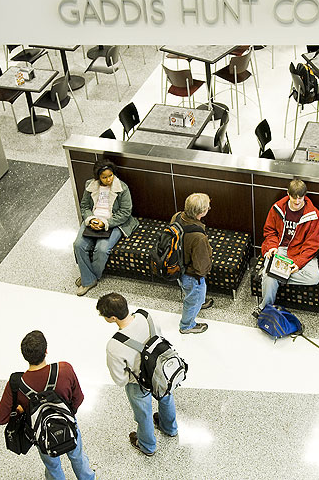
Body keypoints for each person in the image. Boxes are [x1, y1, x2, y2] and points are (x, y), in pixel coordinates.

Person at [0, 331, 96, 480]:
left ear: (24, 355)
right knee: (78, 457)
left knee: (52, 466)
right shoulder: (64, 370)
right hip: (68, 426)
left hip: (41, 434)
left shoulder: (16, 384)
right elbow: (78, 398)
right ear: (46, 351)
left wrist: (20, 410)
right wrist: (68, 412)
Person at [97, 292, 178, 455]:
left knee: (144, 415)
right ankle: (169, 428)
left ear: (113, 318)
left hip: (139, 383)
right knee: (166, 396)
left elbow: (120, 379)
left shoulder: (114, 345)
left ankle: (148, 446)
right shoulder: (147, 316)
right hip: (161, 370)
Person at [73, 160, 138, 296]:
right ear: (98, 177)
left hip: (113, 222)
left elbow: (125, 212)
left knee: (101, 249)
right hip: (94, 220)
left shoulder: (122, 188)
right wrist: (91, 219)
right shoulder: (90, 185)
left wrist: (105, 223)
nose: (108, 179)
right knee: (78, 245)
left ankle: (89, 279)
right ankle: (89, 278)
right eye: (104, 177)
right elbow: (84, 206)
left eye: (110, 175)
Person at [257, 179, 319, 314]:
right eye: (294, 198)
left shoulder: (314, 215)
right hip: (280, 248)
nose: (297, 202)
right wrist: (272, 247)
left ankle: (273, 274)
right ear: (288, 194)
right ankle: (265, 309)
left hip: (300, 251)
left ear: (305, 195)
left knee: (314, 277)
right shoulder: (277, 208)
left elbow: (312, 245)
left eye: (300, 198)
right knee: (271, 273)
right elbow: (270, 231)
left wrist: (298, 263)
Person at [172, 193, 213, 334]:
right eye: (208, 207)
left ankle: (198, 302)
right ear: (201, 212)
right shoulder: (198, 237)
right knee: (194, 297)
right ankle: (187, 325)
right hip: (191, 274)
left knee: (189, 291)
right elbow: (201, 266)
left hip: (178, 265)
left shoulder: (177, 216)